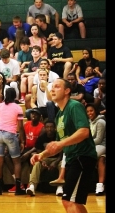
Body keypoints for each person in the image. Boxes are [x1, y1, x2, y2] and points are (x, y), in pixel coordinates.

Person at [30, 78, 97, 213]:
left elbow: (84, 132)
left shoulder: (74, 106)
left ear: (67, 91)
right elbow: (58, 145)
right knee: (73, 202)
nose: (52, 89)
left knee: (69, 201)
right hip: (73, 159)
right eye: (51, 87)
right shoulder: (59, 115)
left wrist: (60, 143)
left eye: (57, 87)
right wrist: (42, 154)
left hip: (82, 157)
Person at [0, 87, 25, 195]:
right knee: (16, 161)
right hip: (10, 134)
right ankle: (18, 188)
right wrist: (22, 140)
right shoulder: (18, 108)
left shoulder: (1, 106)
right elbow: (20, 127)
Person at [26, 120, 63, 196]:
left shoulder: (58, 137)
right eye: (47, 127)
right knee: (36, 163)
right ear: (45, 128)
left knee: (63, 164)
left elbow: (62, 154)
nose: (49, 129)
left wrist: (55, 162)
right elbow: (39, 153)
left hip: (57, 159)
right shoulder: (41, 138)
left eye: (51, 127)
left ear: (55, 128)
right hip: (45, 158)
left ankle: (60, 187)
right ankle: (32, 186)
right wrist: (42, 161)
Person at [85, 103, 106, 196]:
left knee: (90, 157)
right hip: (93, 145)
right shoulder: (89, 122)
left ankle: (100, 185)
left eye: (91, 110)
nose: (90, 113)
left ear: (96, 111)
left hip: (102, 145)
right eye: (88, 111)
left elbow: (99, 139)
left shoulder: (101, 122)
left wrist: (86, 145)